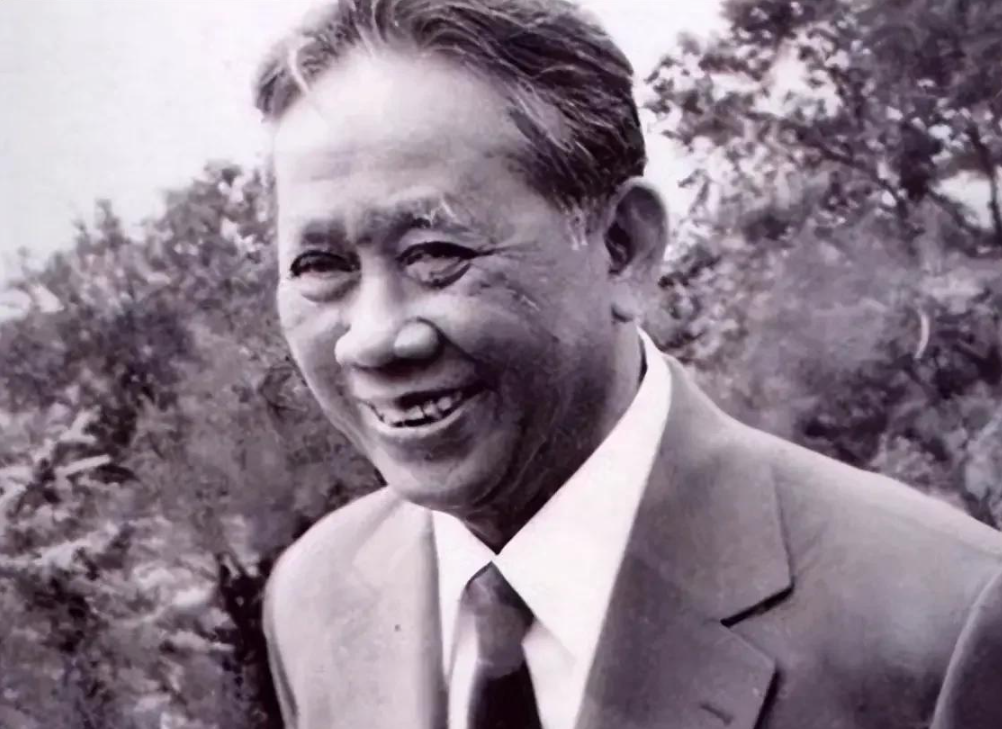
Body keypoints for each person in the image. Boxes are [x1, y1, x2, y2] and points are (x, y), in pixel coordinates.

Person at [254, 1, 1002, 727]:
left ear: (624, 248)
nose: (374, 339)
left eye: (436, 254)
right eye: (321, 266)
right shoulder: (315, 596)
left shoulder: (946, 623)